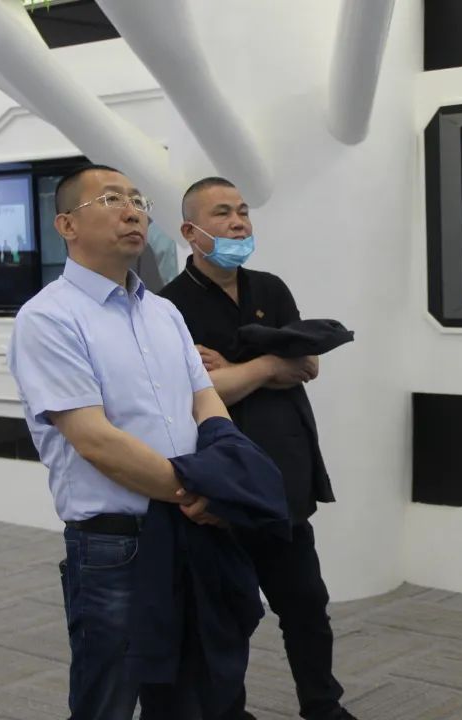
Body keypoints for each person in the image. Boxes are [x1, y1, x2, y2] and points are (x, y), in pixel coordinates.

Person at [7, 164, 231, 720]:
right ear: (66, 225)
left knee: (188, 694)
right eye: (111, 200)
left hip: (188, 530)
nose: (133, 212)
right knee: (107, 697)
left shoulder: (164, 312)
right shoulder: (48, 318)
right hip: (116, 545)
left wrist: (221, 474)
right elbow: (95, 440)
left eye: (138, 201)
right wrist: (195, 492)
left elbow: (206, 401)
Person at [159, 177, 357, 720]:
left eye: (243, 212)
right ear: (190, 232)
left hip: (284, 475)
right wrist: (271, 364)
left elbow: (308, 364)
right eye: (223, 213)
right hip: (221, 484)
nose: (238, 223)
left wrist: (239, 368)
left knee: (307, 606)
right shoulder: (169, 306)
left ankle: (323, 706)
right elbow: (197, 394)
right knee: (228, 615)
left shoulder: (270, 289)